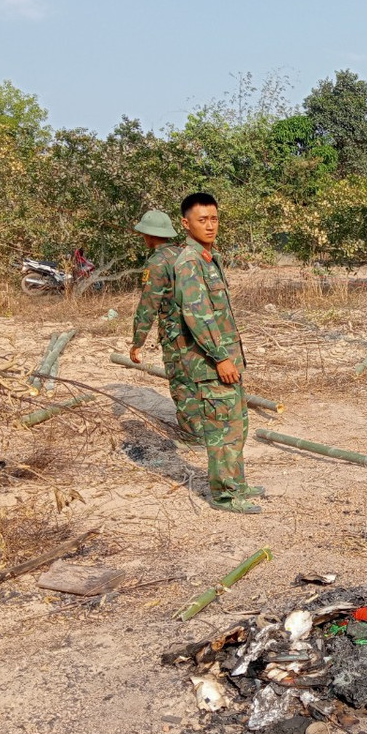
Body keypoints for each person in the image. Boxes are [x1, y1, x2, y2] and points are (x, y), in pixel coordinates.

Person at [171, 192, 263, 514]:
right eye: (202, 220)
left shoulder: (211, 259)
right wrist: (220, 357)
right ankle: (224, 495)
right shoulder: (189, 263)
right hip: (211, 364)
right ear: (186, 223)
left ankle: (237, 483)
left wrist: (230, 357)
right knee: (222, 431)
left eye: (214, 219)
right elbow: (196, 315)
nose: (210, 226)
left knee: (237, 426)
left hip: (227, 360)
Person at [128, 209, 200, 446]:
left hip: (176, 334)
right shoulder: (186, 254)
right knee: (200, 380)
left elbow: (148, 305)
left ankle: (193, 437)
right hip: (201, 330)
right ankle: (210, 429)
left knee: (182, 383)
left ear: (149, 236)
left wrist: (137, 343)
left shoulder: (157, 263)